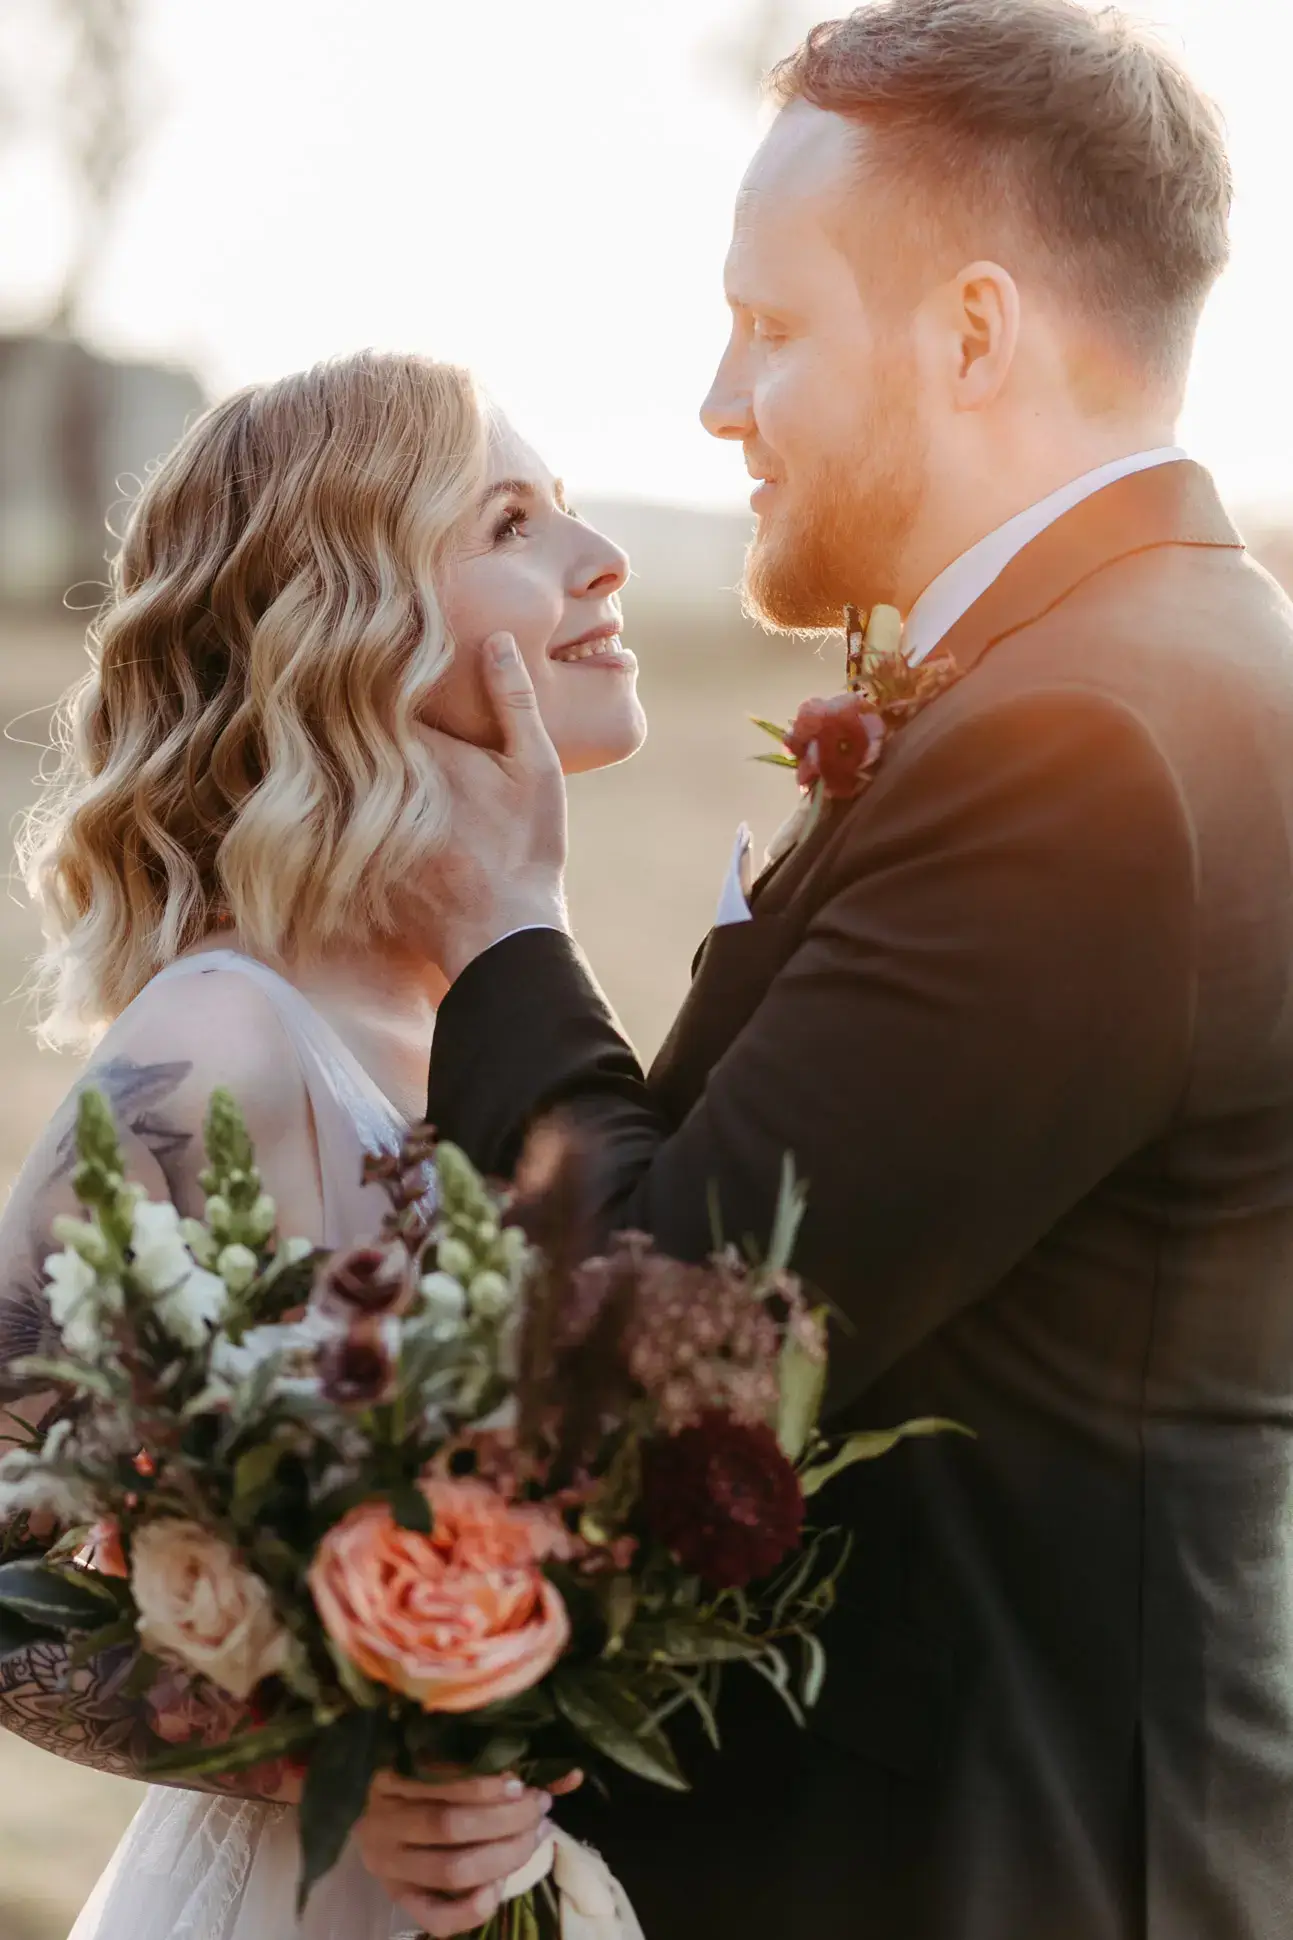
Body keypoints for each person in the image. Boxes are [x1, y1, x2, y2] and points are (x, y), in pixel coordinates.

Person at [413, 4, 1293, 1936]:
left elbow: (663, 1383)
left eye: (776, 326)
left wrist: (505, 936)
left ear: (974, 335)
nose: (723, 397)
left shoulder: (1090, 754)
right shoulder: (1164, 668)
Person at [0, 349, 644, 1940]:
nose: (599, 560)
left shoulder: (488, 1022)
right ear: (349, 623)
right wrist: (326, 1765)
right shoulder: (222, 1037)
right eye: (511, 522)